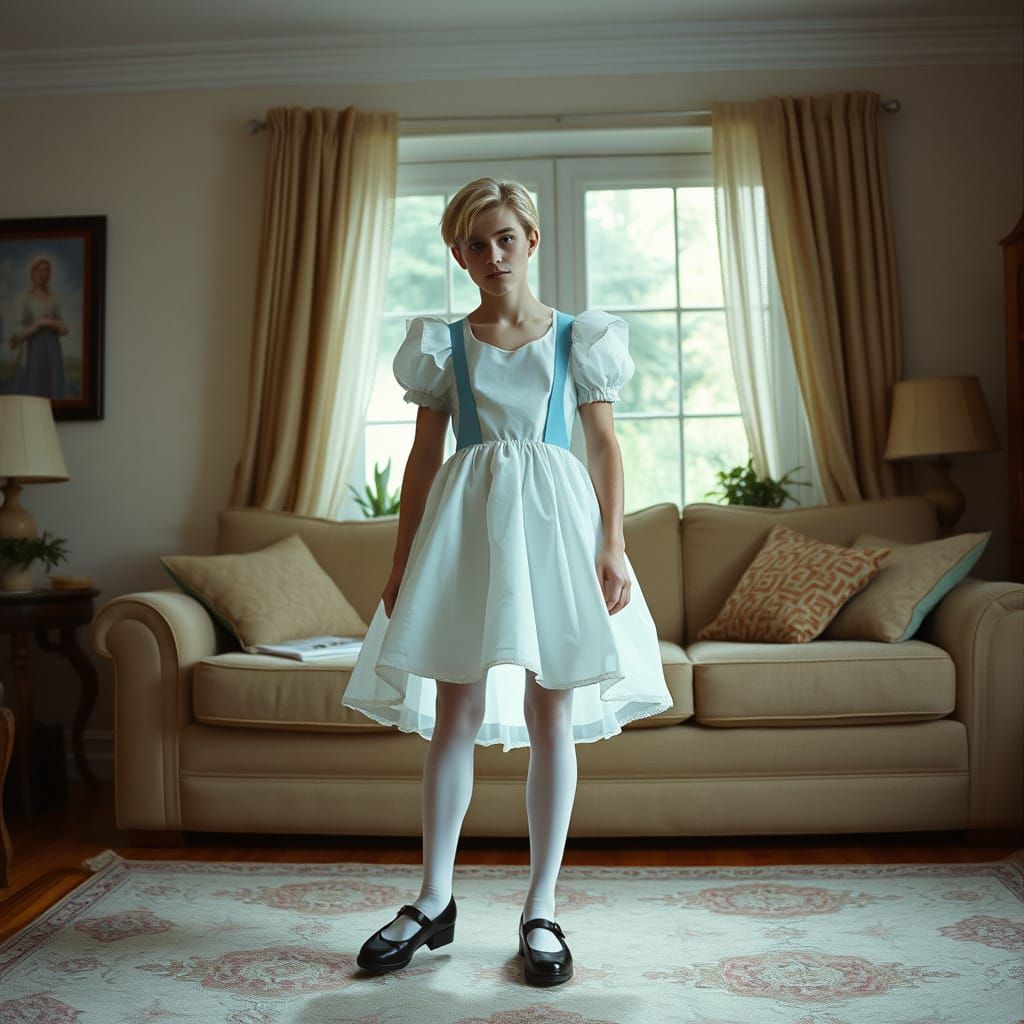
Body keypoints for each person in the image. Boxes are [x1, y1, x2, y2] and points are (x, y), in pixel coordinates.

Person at [342, 177, 672, 986]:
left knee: (548, 709)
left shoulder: (578, 338)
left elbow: (603, 449)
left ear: (531, 241)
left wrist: (614, 544)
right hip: (469, 530)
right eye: (476, 243)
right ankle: (432, 899)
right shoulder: (441, 343)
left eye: (507, 239)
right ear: (458, 253)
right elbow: (423, 460)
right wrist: (402, 557)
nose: (494, 255)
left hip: (557, 531)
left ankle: (542, 906)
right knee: (455, 706)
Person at [8, 256, 69, 399]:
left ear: (49, 275)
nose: (42, 274)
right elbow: (17, 332)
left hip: (52, 350)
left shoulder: (54, 299)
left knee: (52, 388)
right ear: (32, 273)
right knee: (33, 389)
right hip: (34, 349)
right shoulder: (25, 299)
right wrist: (39, 323)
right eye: (39, 270)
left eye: (46, 271)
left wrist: (55, 325)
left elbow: (64, 329)